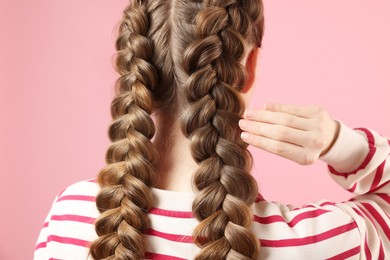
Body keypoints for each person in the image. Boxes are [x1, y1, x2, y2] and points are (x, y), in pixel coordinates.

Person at [34, 0, 390, 259]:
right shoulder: (319, 241)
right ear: (249, 66)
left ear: (139, 70)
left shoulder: (71, 217)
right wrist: (340, 143)